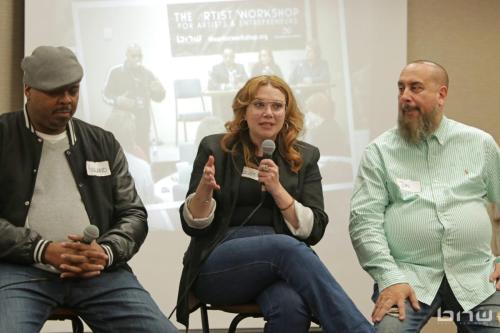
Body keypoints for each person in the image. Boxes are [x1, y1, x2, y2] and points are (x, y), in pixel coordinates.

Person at [176, 75, 375, 332]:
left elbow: (314, 229)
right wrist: (204, 189)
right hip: (218, 264)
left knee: (292, 307)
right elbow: (193, 226)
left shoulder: (305, 156)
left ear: (286, 113)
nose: (268, 113)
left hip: (279, 265)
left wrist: (277, 189)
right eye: (259, 105)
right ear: (244, 111)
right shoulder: (216, 148)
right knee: (283, 247)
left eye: (277, 106)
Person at [0, 45, 177, 332]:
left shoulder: (102, 142)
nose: (66, 100)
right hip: (20, 271)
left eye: (73, 90)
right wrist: (42, 250)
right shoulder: (4, 137)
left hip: (98, 274)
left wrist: (105, 252)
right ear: (28, 90)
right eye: (55, 92)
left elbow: (133, 214)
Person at [349, 60, 500, 332]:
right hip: (407, 279)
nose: (405, 96)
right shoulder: (380, 152)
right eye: (401, 88)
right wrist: (390, 277)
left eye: (415, 88)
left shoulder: (479, 144)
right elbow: (363, 223)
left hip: (477, 277)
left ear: (441, 94)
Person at [103, 43, 165, 159]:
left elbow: (159, 97)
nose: (137, 59)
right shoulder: (116, 72)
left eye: (139, 56)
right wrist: (117, 100)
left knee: (144, 155)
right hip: (122, 124)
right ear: (127, 55)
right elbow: (105, 95)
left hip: (143, 122)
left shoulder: (147, 73)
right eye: (133, 56)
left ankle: (145, 175)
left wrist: (159, 92)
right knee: (122, 157)